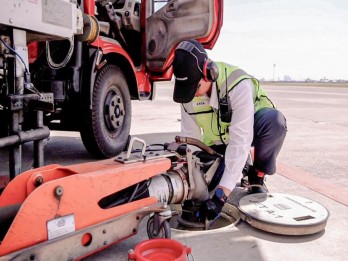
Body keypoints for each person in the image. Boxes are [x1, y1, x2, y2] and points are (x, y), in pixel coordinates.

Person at [172, 39, 287, 221]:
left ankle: (256, 175)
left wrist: (221, 196)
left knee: (274, 122)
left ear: (208, 73)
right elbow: (191, 139)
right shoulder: (188, 93)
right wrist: (192, 181)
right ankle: (239, 164)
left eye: (195, 87)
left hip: (253, 130)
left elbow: (241, 139)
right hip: (217, 144)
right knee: (208, 187)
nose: (192, 94)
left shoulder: (237, 84)